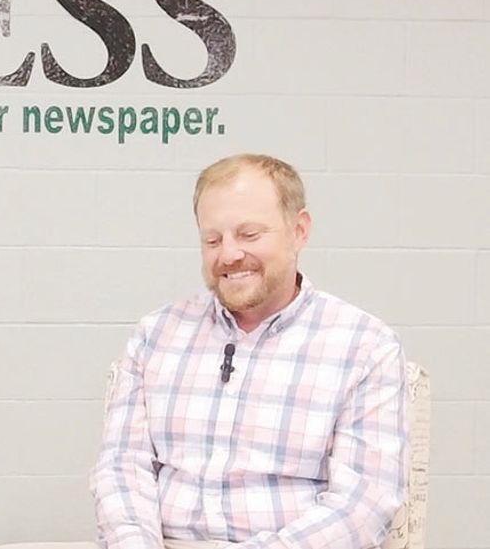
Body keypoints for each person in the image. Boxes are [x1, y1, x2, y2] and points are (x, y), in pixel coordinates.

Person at [91, 154, 408, 549]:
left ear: (299, 231)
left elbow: (364, 504)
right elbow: (122, 468)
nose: (228, 255)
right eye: (212, 239)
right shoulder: (156, 334)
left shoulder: (364, 346)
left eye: (249, 235)